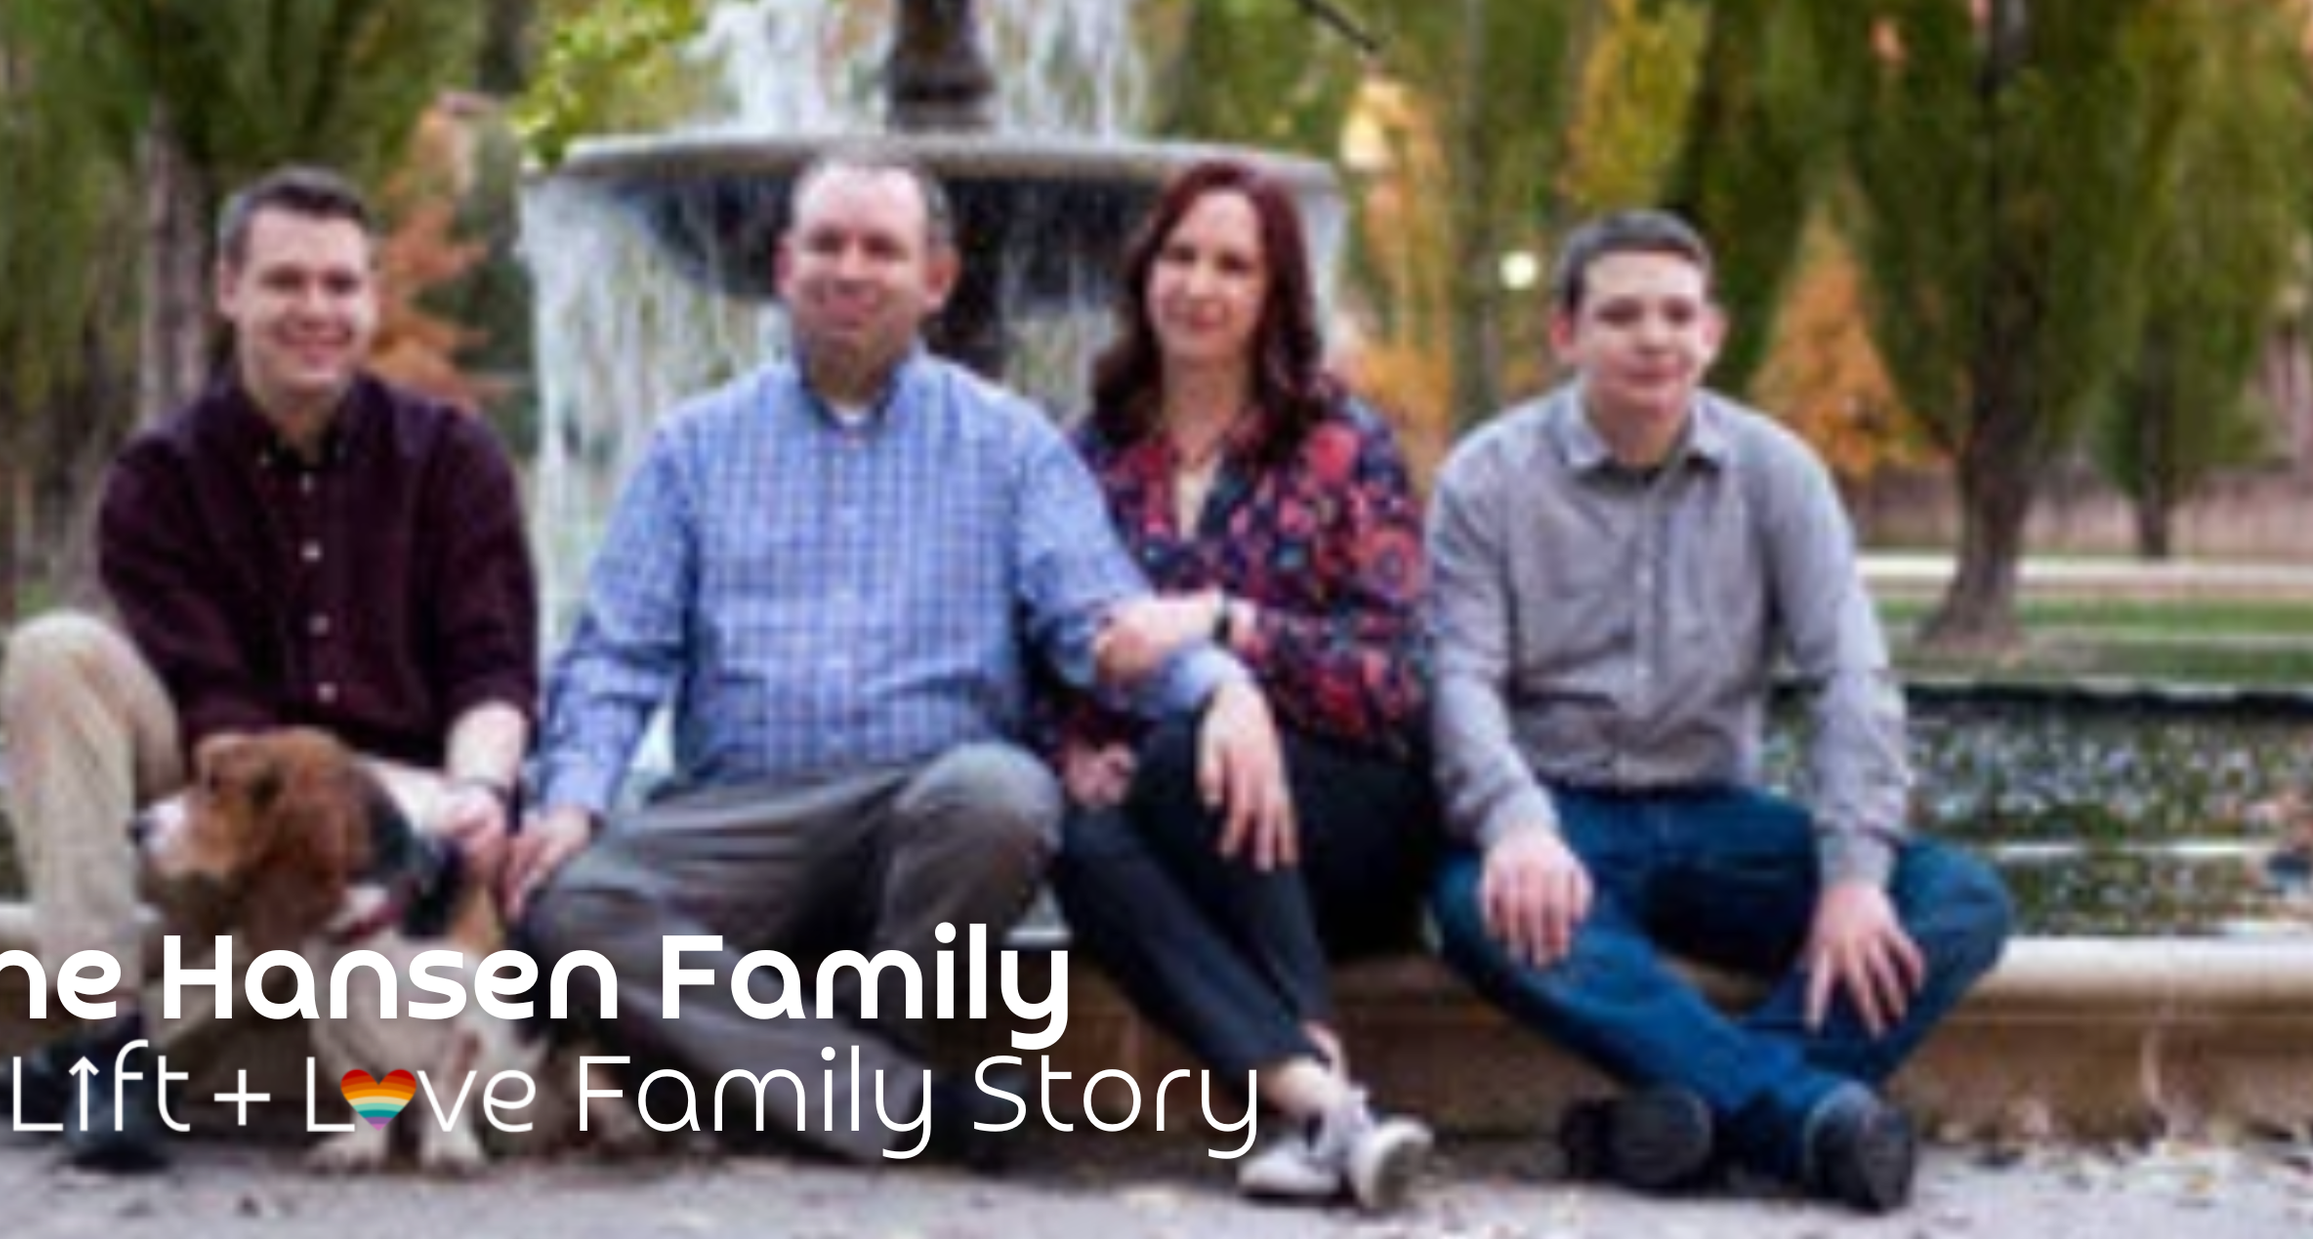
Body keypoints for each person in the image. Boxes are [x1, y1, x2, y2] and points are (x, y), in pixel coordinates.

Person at [507, 145, 1284, 1169]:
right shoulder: (692, 447)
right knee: (569, 907)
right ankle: (901, 1098)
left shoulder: (1009, 445)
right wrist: (570, 800)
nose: (851, 268)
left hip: (931, 813)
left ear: (936, 280)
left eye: (882, 247)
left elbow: (1100, 623)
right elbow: (614, 656)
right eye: (827, 243)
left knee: (1004, 795)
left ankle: (779, 1076)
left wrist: (1222, 683)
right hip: (741, 813)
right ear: (785, 266)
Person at [1423, 209, 2011, 1213]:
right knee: (1476, 902)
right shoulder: (1487, 475)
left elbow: (1852, 678)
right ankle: (1807, 1117)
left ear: (1712, 332)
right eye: (1620, 314)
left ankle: (1677, 1122)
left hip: (1716, 818)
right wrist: (1514, 822)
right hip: (1562, 825)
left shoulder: (1777, 471)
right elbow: (1458, 678)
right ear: (1566, 334)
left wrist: (1854, 873)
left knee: (1958, 897)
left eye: (1675, 313)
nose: (1652, 336)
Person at [0, 165, 540, 1171]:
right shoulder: (161, 474)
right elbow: (214, 701)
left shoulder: (455, 457)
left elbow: (492, 666)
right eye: (287, 282)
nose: (316, 310)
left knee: (483, 1060)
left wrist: (477, 791)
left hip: (400, 835)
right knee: (51, 653)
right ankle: (110, 1037)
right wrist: (283, 828)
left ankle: (121, 1051)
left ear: (373, 296)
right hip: (226, 793)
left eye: (341, 285)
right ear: (227, 289)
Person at [1040, 159, 1435, 1209]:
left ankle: (1313, 1093)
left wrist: (1230, 635)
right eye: (1180, 255)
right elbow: (1040, 651)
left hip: (1353, 818)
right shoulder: (1091, 455)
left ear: (1273, 295)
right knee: (1077, 836)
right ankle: (1317, 1101)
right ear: (1144, 272)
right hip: (1179, 820)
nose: (1199, 285)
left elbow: (1394, 683)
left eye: (1233, 264)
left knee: (1183, 762)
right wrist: (1071, 747)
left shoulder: (1342, 446)